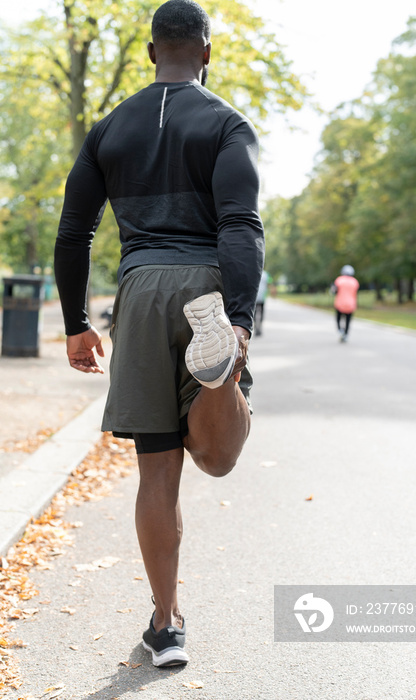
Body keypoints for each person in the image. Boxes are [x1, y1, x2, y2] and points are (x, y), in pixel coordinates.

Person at [54, 0, 264, 668]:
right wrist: (237, 316)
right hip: (207, 279)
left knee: (158, 473)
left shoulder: (110, 128)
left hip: (141, 290)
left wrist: (76, 324)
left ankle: (166, 624)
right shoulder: (227, 124)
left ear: (151, 53)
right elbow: (241, 225)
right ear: (207, 51)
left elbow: (74, 231)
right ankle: (219, 372)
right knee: (218, 457)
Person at [332, 265, 359, 342]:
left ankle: (340, 330)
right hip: (351, 304)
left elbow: (334, 291)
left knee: (338, 318)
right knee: (348, 320)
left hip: (340, 303)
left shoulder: (339, 280)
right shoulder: (355, 281)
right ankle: (346, 334)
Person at [254, 269, 269, 336]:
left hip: (254, 296)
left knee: (254, 313)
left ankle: (255, 326)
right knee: (261, 312)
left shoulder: (254, 271)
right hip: (262, 296)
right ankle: (259, 327)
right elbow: (269, 284)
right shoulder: (266, 275)